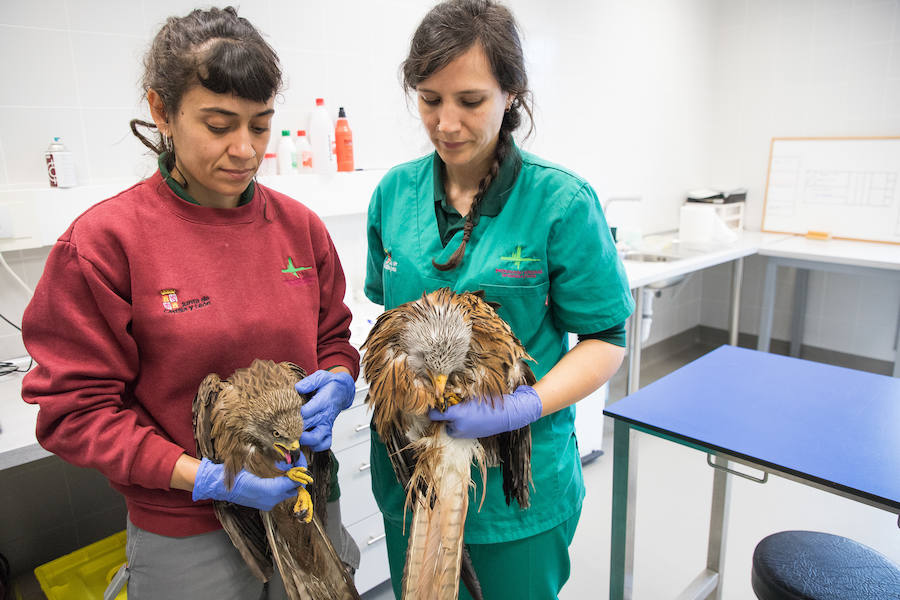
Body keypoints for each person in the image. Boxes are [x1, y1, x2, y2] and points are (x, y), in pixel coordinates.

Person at [21, 7, 360, 599]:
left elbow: (333, 335)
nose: (244, 149)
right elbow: (72, 412)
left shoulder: (299, 229)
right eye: (218, 124)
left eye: (259, 126)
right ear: (162, 111)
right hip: (188, 530)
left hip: (305, 498)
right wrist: (204, 478)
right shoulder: (107, 244)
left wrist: (338, 377)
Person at [364, 0, 635, 598]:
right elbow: (389, 317)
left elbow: (607, 342)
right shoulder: (392, 194)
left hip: (516, 485)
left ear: (511, 93)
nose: (447, 124)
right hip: (412, 475)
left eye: (470, 100)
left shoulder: (561, 202)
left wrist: (523, 405)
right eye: (430, 100)